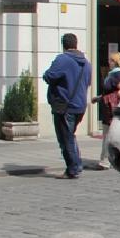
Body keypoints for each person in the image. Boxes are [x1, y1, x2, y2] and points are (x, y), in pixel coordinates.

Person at [43, 32, 92, 179]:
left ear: (63, 44)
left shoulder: (63, 59)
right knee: (70, 136)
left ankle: (73, 168)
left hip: (65, 105)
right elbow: (88, 82)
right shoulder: (86, 62)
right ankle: (76, 164)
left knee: (65, 138)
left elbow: (49, 75)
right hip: (80, 105)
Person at [94, 68, 120, 169]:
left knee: (108, 137)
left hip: (112, 112)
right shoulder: (116, 74)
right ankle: (116, 160)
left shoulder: (117, 75)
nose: (109, 63)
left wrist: (110, 98)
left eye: (110, 61)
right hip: (112, 111)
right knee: (112, 137)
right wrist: (99, 98)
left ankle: (105, 162)